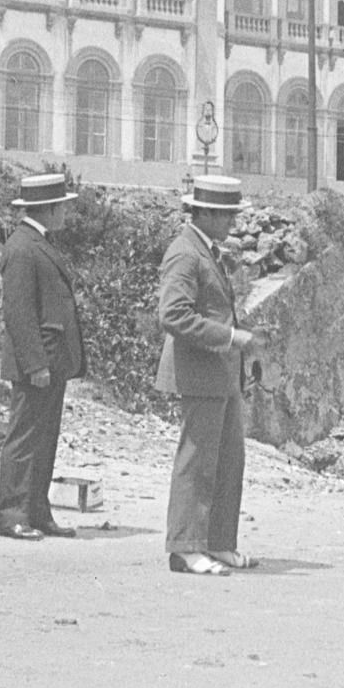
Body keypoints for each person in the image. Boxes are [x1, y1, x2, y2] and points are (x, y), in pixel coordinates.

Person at [153, 172, 262, 576]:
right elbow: (173, 315)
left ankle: (218, 542)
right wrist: (232, 337)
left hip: (220, 373)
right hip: (200, 372)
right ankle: (185, 547)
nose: (233, 223)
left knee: (229, 459)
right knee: (197, 461)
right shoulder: (185, 253)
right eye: (228, 215)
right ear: (206, 214)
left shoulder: (205, 249)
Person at [0, 168, 83, 540]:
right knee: (25, 440)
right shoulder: (23, 247)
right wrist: (35, 364)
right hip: (39, 362)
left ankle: (37, 512)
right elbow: (19, 312)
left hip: (50, 360)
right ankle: (13, 515)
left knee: (44, 439)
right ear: (46, 208)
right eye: (61, 206)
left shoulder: (35, 242)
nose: (64, 213)